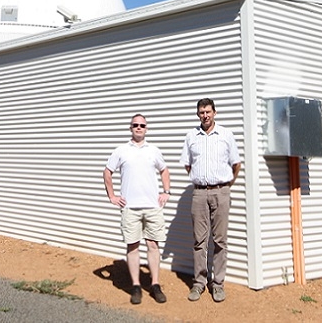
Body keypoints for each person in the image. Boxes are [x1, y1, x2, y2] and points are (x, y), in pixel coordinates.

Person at [103, 114, 171, 305]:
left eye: (142, 125)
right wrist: (112, 196)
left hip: (152, 207)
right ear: (130, 128)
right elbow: (107, 172)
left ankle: (155, 284)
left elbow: (164, 170)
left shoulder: (154, 150)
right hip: (130, 208)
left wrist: (166, 192)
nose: (139, 128)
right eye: (135, 125)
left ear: (146, 128)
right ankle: (136, 286)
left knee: (153, 245)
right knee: (132, 246)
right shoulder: (121, 150)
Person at [180, 98, 241, 303]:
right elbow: (187, 164)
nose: (204, 115)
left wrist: (224, 186)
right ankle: (198, 284)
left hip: (221, 192)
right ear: (198, 115)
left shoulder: (226, 135)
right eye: (201, 112)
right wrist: (202, 182)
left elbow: (236, 164)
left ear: (215, 112)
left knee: (220, 241)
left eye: (207, 111)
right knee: (199, 241)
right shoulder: (191, 136)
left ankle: (218, 285)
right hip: (199, 194)